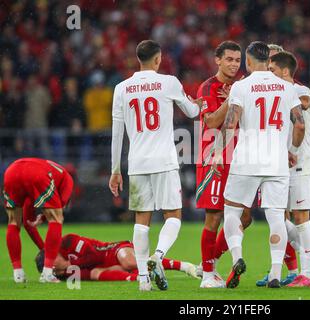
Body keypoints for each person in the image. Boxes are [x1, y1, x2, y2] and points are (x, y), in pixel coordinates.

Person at [109, 40, 201, 291]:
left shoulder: (122, 88)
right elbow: (192, 112)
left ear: (138, 59)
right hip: (164, 160)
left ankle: (142, 281)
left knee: (141, 220)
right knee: (173, 215)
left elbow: (118, 132)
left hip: (137, 163)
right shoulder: (169, 82)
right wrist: (199, 103)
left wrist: (115, 170)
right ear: (158, 59)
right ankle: (158, 256)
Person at [212, 41, 305, 289]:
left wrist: (219, 151)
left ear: (249, 61)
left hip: (246, 161)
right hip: (276, 162)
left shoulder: (241, 86)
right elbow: (300, 125)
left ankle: (237, 257)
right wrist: (292, 150)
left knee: (231, 212)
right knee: (276, 217)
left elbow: (230, 123)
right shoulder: (287, 88)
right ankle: (276, 272)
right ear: (269, 61)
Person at [257, 51, 310, 288]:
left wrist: (295, 104)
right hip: (279, 165)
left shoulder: (299, 91)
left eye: (272, 70)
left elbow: (305, 103)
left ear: (285, 71)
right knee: (277, 215)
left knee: (300, 218)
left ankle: (306, 274)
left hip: (300, 163)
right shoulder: (274, 94)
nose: (269, 75)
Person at [196, 40, 252, 289]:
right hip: (214, 155)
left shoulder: (245, 86)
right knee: (215, 215)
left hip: (242, 156)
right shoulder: (208, 87)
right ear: (217, 60)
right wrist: (232, 100)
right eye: (228, 59)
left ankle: (210, 261)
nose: (233, 64)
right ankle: (208, 274)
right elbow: (210, 122)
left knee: (246, 217)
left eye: (237, 60)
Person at [3, 158, 73, 283]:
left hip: (12, 170)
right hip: (37, 174)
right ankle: (47, 273)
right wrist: (47, 251)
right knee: (56, 219)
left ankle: (18, 274)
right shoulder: (68, 180)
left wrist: (43, 248)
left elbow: (28, 223)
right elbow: (59, 210)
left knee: (13, 221)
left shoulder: (51, 174)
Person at [34, 233, 200, 282]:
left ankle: (184, 266)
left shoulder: (67, 241)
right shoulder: (69, 275)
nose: (53, 258)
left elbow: (92, 255)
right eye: (50, 260)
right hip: (108, 266)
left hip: (114, 249)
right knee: (97, 274)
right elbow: (91, 274)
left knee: (128, 262)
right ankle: (142, 277)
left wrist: (72, 263)